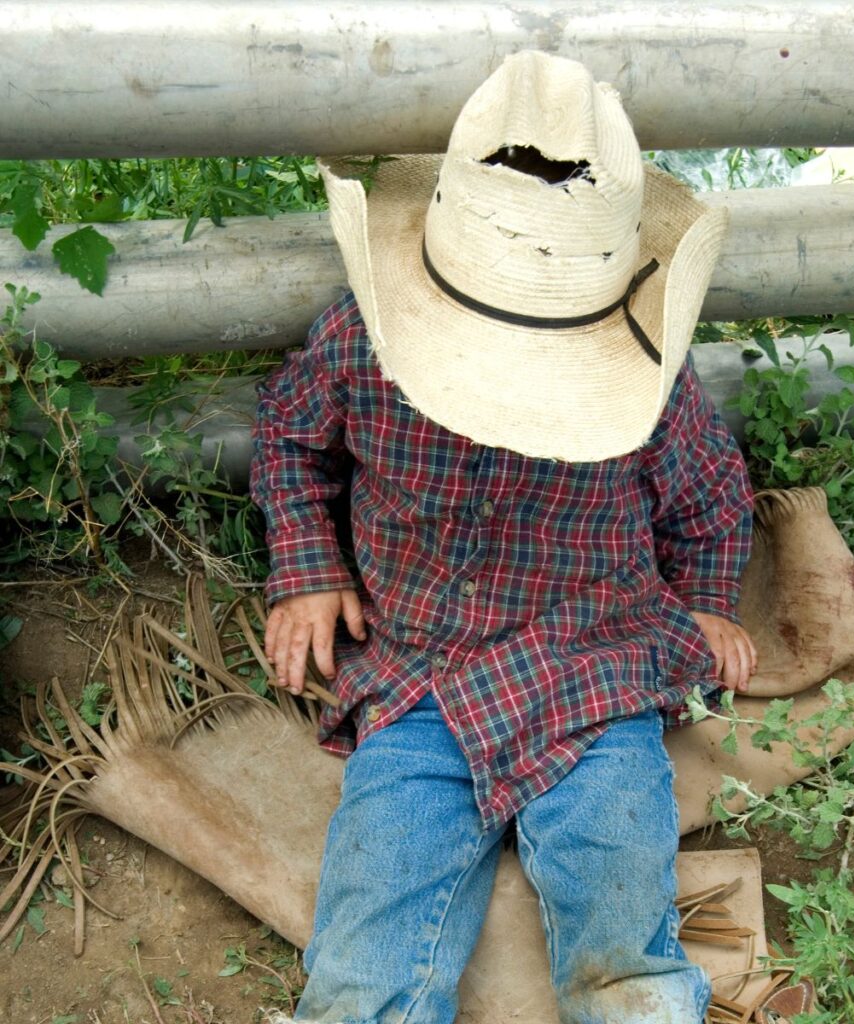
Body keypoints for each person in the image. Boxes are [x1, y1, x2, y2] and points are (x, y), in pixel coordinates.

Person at [251, 51, 756, 1024]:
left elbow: (709, 494)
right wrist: (307, 571)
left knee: (621, 930)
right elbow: (289, 435)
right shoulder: (366, 340)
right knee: (364, 953)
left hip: (592, 666)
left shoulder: (645, 374)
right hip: (418, 675)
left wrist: (705, 600)